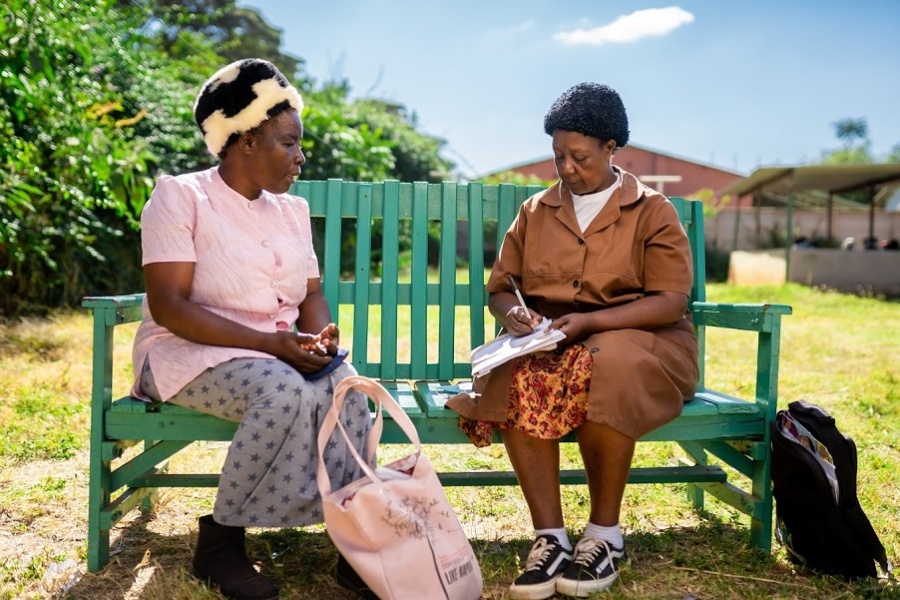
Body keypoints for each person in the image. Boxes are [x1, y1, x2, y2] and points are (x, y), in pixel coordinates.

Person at [131, 58, 373, 600]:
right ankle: (220, 544)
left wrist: (320, 338)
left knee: (349, 390)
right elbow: (168, 306)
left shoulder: (291, 211)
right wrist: (271, 345)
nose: (300, 156)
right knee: (281, 391)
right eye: (288, 142)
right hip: (186, 351)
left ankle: (356, 544)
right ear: (244, 141)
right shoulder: (180, 196)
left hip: (275, 350)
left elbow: (310, 296)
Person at [447, 83, 699, 599]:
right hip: (551, 341)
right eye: (558, 155)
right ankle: (551, 539)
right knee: (518, 373)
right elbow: (500, 289)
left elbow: (670, 301)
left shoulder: (653, 211)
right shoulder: (535, 211)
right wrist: (514, 313)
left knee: (606, 366)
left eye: (579, 156)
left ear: (611, 148)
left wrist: (589, 323)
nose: (566, 167)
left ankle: (604, 535)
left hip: (642, 339)